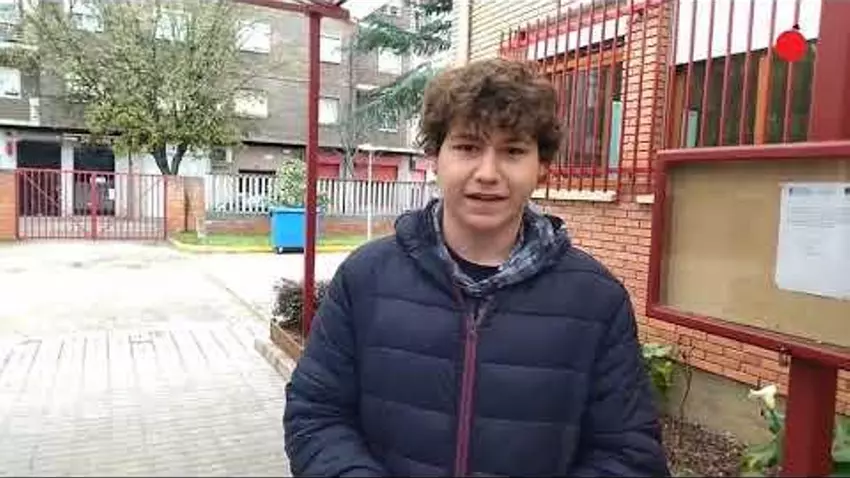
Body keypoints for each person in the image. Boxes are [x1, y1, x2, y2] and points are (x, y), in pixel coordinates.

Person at [283, 58, 670, 477]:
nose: (487, 173)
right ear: (435, 158)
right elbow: (316, 414)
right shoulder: (365, 278)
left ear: (542, 166)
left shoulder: (596, 300)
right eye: (468, 147)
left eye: (513, 151)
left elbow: (628, 454)